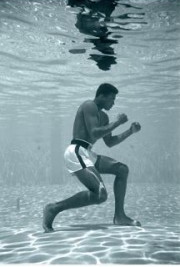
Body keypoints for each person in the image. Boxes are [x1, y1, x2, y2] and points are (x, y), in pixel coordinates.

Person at [43, 83, 141, 233]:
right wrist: (118, 122)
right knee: (100, 195)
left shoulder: (104, 116)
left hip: (88, 153)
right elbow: (94, 133)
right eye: (111, 99)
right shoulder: (89, 105)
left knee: (122, 170)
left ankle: (120, 216)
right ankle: (53, 208)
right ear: (101, 96)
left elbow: (110, 142)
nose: (113, 103)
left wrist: (130, 131)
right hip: (76, 151)